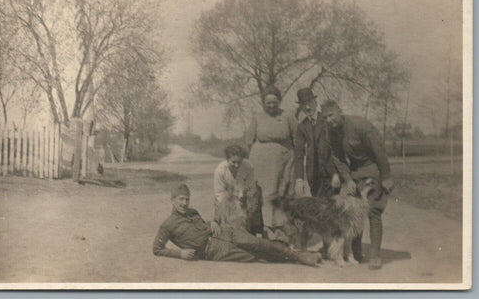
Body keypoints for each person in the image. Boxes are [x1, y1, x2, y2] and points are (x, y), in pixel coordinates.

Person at [153, 184, 321, 266]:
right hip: (214, 251)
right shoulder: (167, 225)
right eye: (180, 199)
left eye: (186, 199)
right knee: (255, 257)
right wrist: (179, 253)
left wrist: (213, 223)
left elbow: (203, 224)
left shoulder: (193, 212)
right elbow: (157, 249)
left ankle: (300, 256)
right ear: (172, 201)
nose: (184, 203)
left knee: (257, 243)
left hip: (226, 233)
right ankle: (294, 256)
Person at [320, 100, 395, 270]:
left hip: (373, 167)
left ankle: (375, 255)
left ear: (339, 111)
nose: (329, 120)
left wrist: (386, 176)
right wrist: (347, 178)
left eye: (331, 115)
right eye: (325, 118)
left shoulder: (360, 125)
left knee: (373, 210)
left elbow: (379, 151)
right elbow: (338, 157)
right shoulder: (331, 132)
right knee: (353, 211)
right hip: (354, 171)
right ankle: (356, 252)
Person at [245, 85, 297, 238]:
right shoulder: (257, 117)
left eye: (274, 102)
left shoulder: (288, 116)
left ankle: (282, 232)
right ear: (264, 103)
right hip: (261, 163)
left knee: (282, 193)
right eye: (268, 103)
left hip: (283, 161)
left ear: (279, 101)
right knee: (263, 195)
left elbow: (296, 139)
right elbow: (249, 140)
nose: (271, 105)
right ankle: (265, 229)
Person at [293, 88, 341, 198]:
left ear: (315, 102)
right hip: (314, 177)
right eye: (304, 105)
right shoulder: (301, 127)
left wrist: (335, 173)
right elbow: (298, 154)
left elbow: (337, 150)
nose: (308, 107)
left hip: (331, 175)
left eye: (309, 103)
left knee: (333, 210)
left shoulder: (326, 120)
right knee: (318, 212)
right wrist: (299, 179)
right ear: (300, 107)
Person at [213, 145, 263, 235]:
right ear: (227, 159)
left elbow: (251, 188)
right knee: (224, 217)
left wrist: (244, 200)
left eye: (239, 162)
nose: (237, 165)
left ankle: (253, 230)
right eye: (233, 162)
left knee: (256, 195)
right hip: (227, 196)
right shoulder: (220, 171)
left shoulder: (248, 167)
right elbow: (219, 194)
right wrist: (231, 207)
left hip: (244, 194)